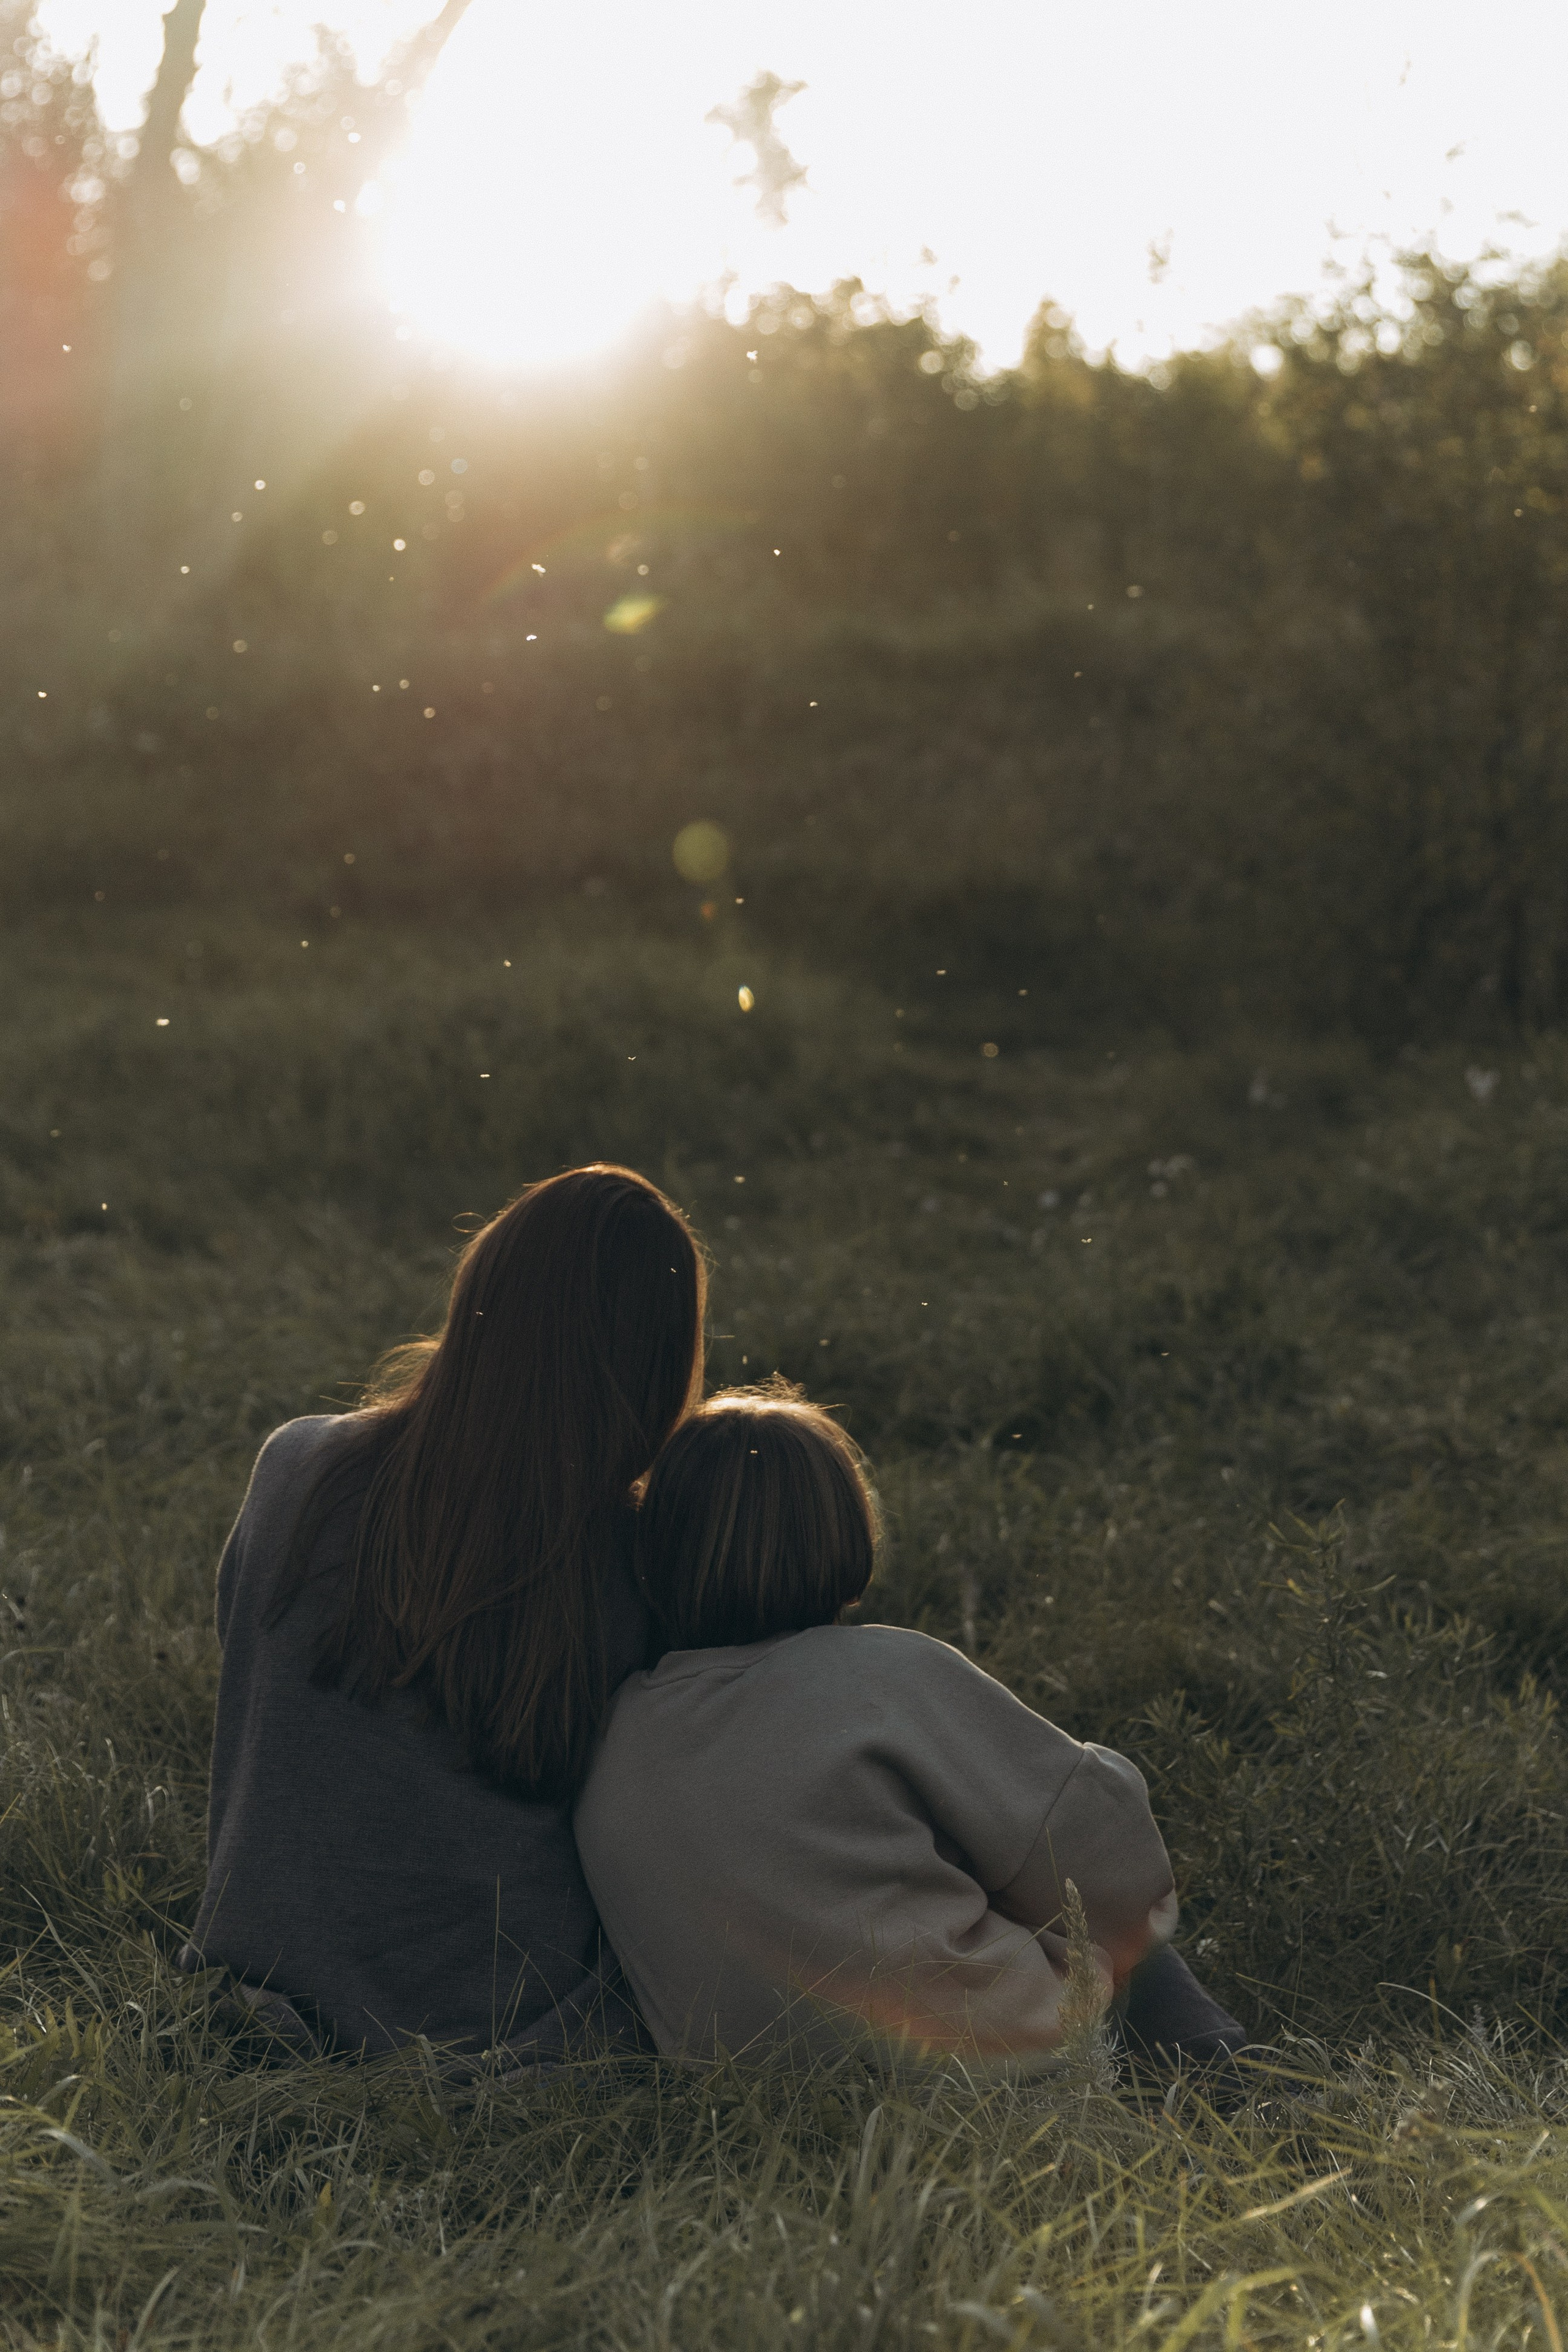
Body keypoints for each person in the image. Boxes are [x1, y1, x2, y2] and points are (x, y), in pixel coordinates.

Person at [179, 1165, 705, 2064]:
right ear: (654, 1363)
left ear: (478, 1299)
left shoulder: (296, 1468)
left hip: (261, 1972)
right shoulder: (641, 1559)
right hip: (496, 2014)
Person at [575, 1387, 1245, 2070]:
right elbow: (1097, 1856)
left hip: (742, 2092)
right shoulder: (883, 1674)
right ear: (842, 1528)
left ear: (654, 1546)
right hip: (979, 2060)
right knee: (1101, 1928)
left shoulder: (613, 1729)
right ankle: (1239, 2087)